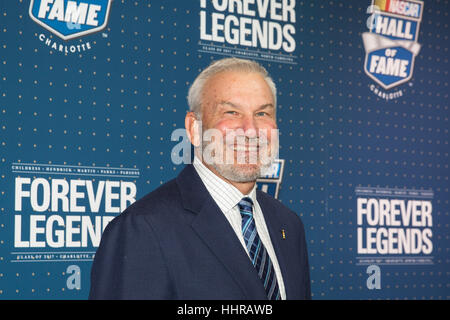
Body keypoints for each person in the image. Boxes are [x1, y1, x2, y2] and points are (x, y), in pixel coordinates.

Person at [89, 57, 311, 300]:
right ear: (194, 128)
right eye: (231, 112)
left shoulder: (288, 224)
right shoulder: (143, 229)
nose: (251, 130)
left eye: (262, 113)